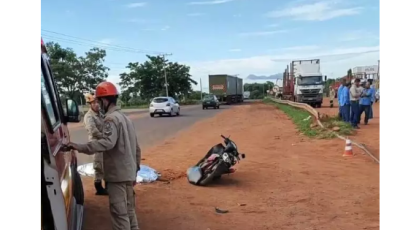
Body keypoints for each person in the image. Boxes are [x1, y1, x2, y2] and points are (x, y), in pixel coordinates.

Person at [69, 82, 141, 230]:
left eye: (99, 101)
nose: (98, 104)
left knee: (120, 215)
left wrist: (79, 147)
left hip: (117, 177)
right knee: (130, 212)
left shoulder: (110, 119)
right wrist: (135, 170)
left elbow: (106, 143)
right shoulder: (125, 118)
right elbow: (137, 149)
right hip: (129, 174)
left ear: (105, 101)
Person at [83, 93, 108, 196]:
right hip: (96, 143)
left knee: (106, 165)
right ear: (90, 104)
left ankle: (108, 186)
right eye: (94, 103)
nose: (97, 104)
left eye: (98, 102)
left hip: (103, 142)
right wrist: (105, 137)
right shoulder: (89, 116)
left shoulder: (101, 114)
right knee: (98, 165)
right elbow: (93, 131)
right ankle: (98, 188)